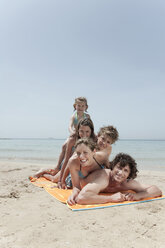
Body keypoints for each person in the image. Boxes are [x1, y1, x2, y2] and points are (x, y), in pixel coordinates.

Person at [67, 153, 162, 205]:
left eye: (125, 170)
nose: (121, 173)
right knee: (59, 177)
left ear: (129, 174)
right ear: (113, 167)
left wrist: (138, 196)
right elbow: (81, 198)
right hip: (73, 181)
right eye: (119, 168)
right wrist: (110, 198)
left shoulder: (127, 183)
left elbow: (156, 190)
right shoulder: (104, 178)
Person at [32, 118, 96, 186]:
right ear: (78, 130)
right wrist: (60, 181)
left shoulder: (94, 140)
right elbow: (66, 159)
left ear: (91, 131)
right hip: (68, 163)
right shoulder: (72, 140)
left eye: (87, 131)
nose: (84, 134)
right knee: (54, 179)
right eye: (81, 131)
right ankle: (44, 171)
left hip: (82, 165)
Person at [60, 125, 119, 189]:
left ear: (111, 143)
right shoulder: (88, 145)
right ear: (98, 135)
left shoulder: (108, 149)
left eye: (108, 142)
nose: (104, 143)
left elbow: (105, 163)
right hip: (80, 171)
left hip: (92, 173)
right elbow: (71, 162)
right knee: (57, 177)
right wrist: (62, 181)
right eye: (103, 139)